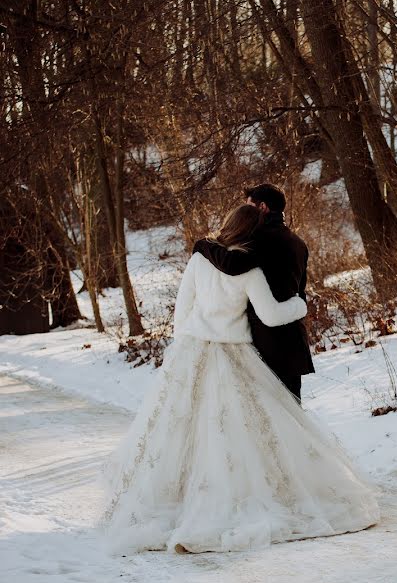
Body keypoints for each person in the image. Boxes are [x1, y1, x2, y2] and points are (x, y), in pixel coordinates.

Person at [101, 205, 379, 554]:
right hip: (233, 353)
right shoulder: (250, 269)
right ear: (252, 232)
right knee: (241, 430)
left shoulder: (200, 258)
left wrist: (184, 345)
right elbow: (272, 315)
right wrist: (301, 305)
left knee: (181, 431)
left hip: (193, 352)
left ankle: (182, 499)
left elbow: (181, 310)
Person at [193, 184, 313, 402]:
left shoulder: (260, 239)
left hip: (265, 341)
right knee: (294, 417)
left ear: (263, 207)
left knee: (273, 417)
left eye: (249, 206)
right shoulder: (298, 243)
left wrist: (203, 245)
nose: (245, 211)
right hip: (293, 340)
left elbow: (231, 264)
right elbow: (300, 291)